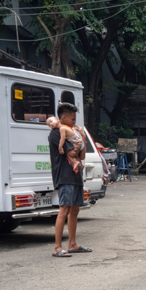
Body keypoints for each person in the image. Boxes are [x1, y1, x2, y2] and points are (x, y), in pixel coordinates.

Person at [48, 102, 91, 257]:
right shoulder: (56, 133)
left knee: (75, 209)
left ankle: (72, 244)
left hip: (76, 175)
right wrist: (79, 143)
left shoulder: (72, 132)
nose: (74, 121)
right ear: (64, 118)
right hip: (65, 176)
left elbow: (82, 155)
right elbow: (72, 153)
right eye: (72, 119)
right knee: (64, 209)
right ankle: (57, 248)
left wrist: (83, 139)